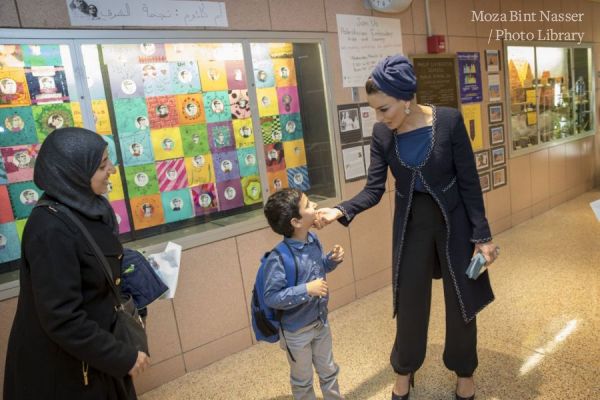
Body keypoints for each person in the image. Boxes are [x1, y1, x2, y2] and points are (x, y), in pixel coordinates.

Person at [316, 55, 499, 400]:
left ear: (406, 98)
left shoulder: (448, 122)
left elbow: (469, 182)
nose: (379, 118)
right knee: (410, 301)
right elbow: (373, 189)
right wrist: (339, 210)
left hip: (453, 221)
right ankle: (404, 370)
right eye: (375, 110)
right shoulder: (383, 135)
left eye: (384, 109)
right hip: (411, 224)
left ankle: (464, 371)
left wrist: (482, 236)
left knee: (462, 297)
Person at [3, 127, 150, 400]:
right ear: (74, 172)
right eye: (104, 164)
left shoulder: (88, 208)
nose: (113, 170)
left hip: (95, 354)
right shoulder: (49, 229)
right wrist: (120, 356)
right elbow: (62, 318)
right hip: (66, 370)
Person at [262, 188, 345, 400]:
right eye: (308, 205)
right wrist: (306, 290)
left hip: (320, 322)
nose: (315, 206)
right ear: (296, 222)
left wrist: (331, 260)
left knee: (329, 369)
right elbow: (271, 297)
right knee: (302, 380)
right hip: (296, 333)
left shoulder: (313, 240)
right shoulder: (279, 258)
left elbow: (319, 270)